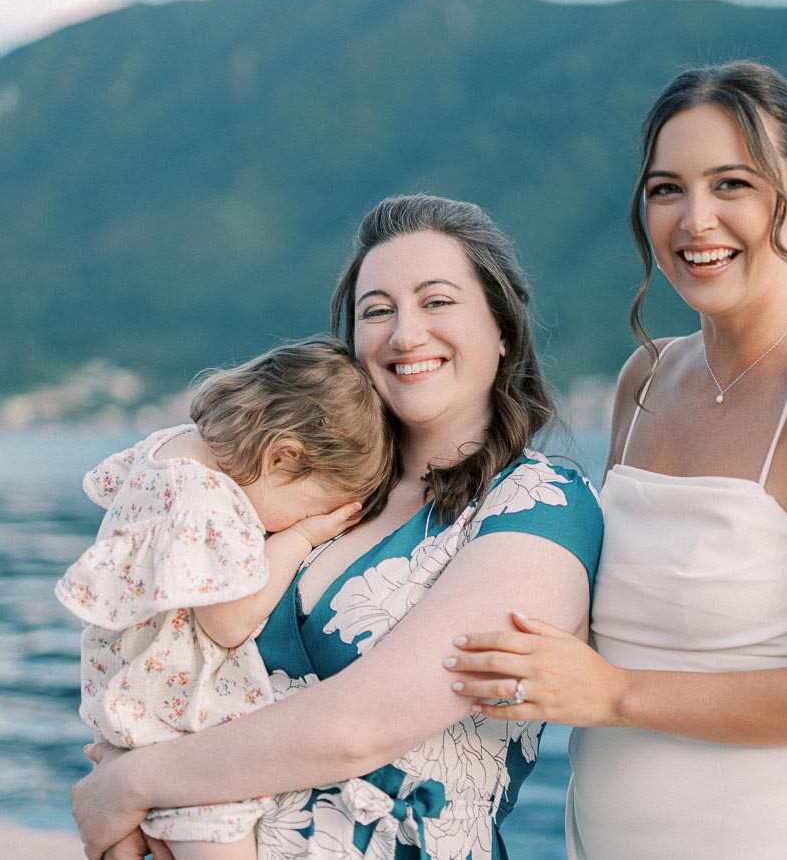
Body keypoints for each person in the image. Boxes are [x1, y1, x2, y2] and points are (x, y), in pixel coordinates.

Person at [448, 61, 787, 857]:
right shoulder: (646, 376)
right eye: (667, 189)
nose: (695, 220)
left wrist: (617, 694)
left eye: (731, 184)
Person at [70, 194, 604, 860]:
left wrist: (130, 784)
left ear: (502, 329)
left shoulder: (540, 506)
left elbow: (364, 727)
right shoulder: (297, 494)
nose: (405, 334)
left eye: (437, 302)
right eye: (377, 310)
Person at [57, 338, 394, 860]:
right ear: (281, 457)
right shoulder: (212, 504)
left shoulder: (163, 450)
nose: (306, 522)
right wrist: (299, 539)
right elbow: (228, 623)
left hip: (127, 705)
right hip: (183, 726)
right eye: (311, 505)